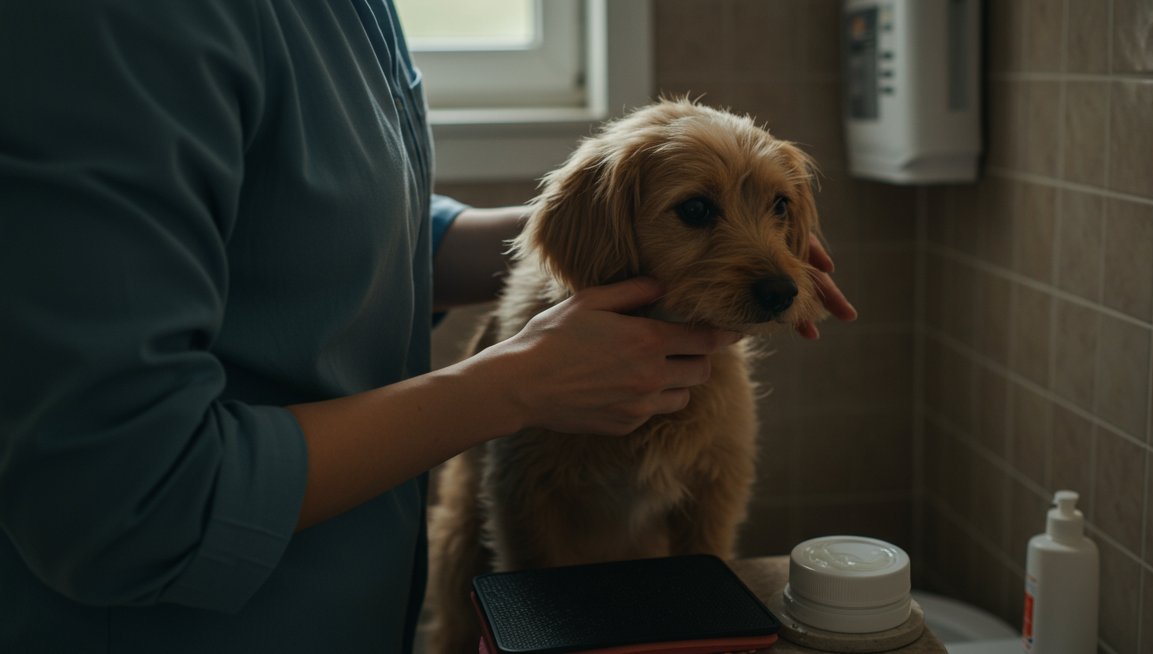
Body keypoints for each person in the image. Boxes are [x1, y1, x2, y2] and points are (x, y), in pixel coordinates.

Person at [0, 1, 856, 652]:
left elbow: (364, 231)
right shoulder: (108, 29)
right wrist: (512, 385)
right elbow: (126, 496)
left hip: (364, 611)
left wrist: (648, 239)